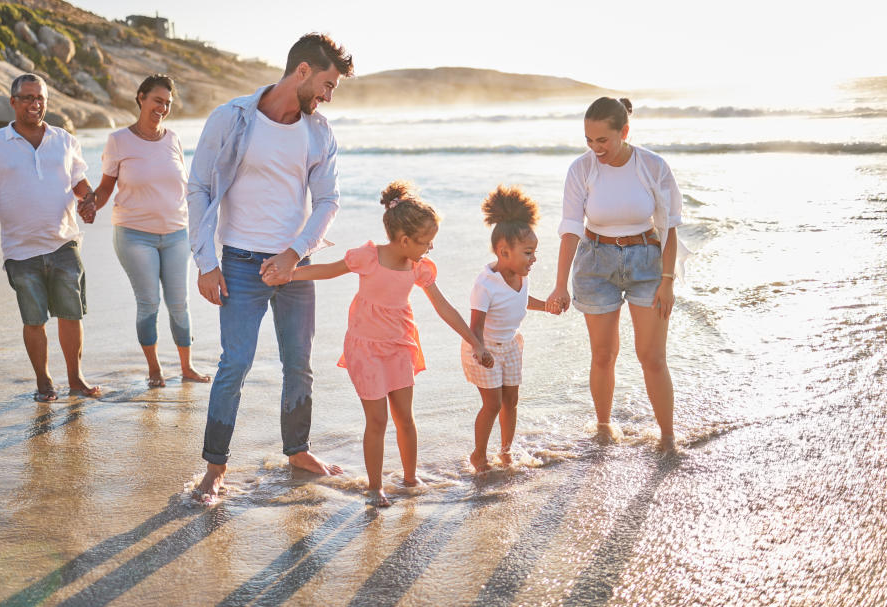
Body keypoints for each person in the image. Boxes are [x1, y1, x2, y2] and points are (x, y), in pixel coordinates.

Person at [186, 33, 354, 503]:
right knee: (234, 364)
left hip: (296, 268)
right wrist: (205, 262)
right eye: (326, 83)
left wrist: (294, 254)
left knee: (299, 364)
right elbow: (198, 188)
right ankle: (215, 468)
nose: (328, 94)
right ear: (302, 71)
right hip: (238, 262)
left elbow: (327, 201)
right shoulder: (232, 117)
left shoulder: (319, 132)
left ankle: (298, 451)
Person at [288, 181, 494, 506]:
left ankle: (410, 477)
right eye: (426, 242)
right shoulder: (368, 257)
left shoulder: (418, 268)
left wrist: (475, 342)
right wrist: (290, 273)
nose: (429, 248)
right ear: (404, 240)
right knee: (378, 421)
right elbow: (329, 270)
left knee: (404, 417)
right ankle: (375, 487)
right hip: (366, 348)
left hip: (400, 345)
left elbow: (444, 308)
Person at [546, 97, 688, 451]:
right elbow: (569, 228)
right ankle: (604, 428)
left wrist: (668, 282)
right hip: (595, 263)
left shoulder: (653, 166)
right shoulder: (581, 169)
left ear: (624, 132)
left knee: (652, 356)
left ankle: (668, 438)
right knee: (603, 354)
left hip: (647, 262)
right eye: (589, 141)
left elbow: (669, 229)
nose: (596, 149)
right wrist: (559, 285)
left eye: (603, 140)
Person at [0, 73, 100, 402]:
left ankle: (76, 379)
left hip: (64, 241)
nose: (35, 104)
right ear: (13, 102)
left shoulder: (64, 139)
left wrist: (88, 201)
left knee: (71, 314)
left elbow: (79, 180)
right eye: (28, 98)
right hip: (20, 251)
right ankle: (43, 381)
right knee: (34, 319)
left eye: (41, 99)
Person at [91, 74, 211, 388]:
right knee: (149, 303)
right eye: (157, 100)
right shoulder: (118, 140)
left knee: (179, 302)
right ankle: (155, 369)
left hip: (176, 234)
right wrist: (91, 204)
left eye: (168, 103)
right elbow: (105, 188)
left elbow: (185, 186)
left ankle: (187, 367)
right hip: (134, 234)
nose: (162, 108)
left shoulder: (173, 139)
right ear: (141, 97)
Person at [465, 185, 547, 472]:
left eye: (534, 252)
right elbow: (475, 325)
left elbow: (521, 301)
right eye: (528, 252)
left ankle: (506, 451)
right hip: (483, 347)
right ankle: (479, 455)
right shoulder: (485, 284)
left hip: (511, 345)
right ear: (503, 251)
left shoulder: (521, 275)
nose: (533, 259)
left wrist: (546, 305)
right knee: (492, 404)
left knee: (511, 401)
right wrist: (480, 350)